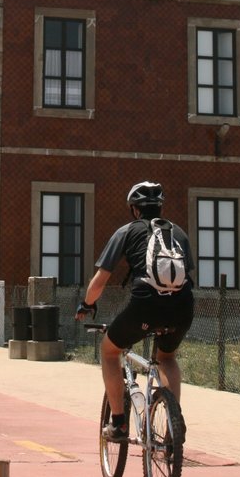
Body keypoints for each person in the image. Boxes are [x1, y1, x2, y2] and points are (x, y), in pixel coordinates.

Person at [75, 181, 195, 441]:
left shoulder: (127, 231)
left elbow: (100, 281)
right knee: (167, 357)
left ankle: (119, 424)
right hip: (183, 307)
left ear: (134, 209)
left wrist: (87, 304)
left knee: (109, 351)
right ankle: (174, 422)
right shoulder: (179, 233)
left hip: (145, 306)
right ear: (160, 207)